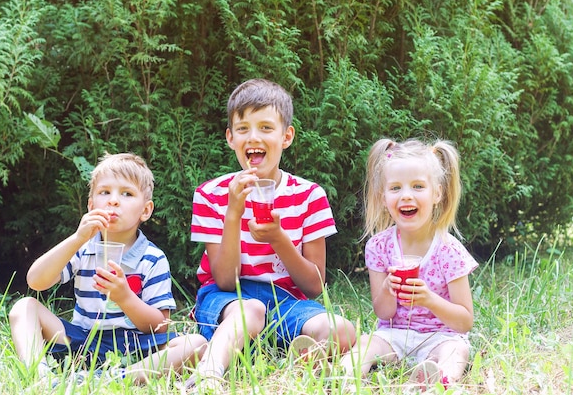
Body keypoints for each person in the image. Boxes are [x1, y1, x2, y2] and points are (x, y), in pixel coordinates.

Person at [187, 79, 356, 388]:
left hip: (287, 301)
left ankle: (290, 361)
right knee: (249, 310)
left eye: (266, 127)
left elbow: (315, 284)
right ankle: (209, 373)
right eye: (243, 129)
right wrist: (234, 212)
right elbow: (225, 279)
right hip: (227, 300)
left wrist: (279, 239)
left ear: (286, 136)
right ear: (230, 138)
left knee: (342, 331)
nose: (254, 137)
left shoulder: (309, 196)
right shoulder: (211, 195)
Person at [8, 153, 206, 385]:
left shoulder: (152, 258)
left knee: (196, 344)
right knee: (23, 307)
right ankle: (41, 379)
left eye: (127, 194)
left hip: (136, 349)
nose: (113, 201)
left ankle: (111, 379)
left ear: (146, 210)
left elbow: (160, 325)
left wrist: (125, 298)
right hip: (82, 343)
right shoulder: (83, 249)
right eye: (105, 192)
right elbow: (36, 281)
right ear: (91, 205)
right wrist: (76, 238)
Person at [340, 138, 478, 390]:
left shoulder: (449, 250)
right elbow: (383, 314)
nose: (406, 196)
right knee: (366, 343)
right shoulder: (379, 247)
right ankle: (344, 373)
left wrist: (429, 299)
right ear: (383, 198)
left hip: (441, 336)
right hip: (394, 335)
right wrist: (387, 290)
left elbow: (464, 321)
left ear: (437, 193)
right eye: (395, 188)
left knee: (456, 351)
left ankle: (436, 377)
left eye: (417, 186)